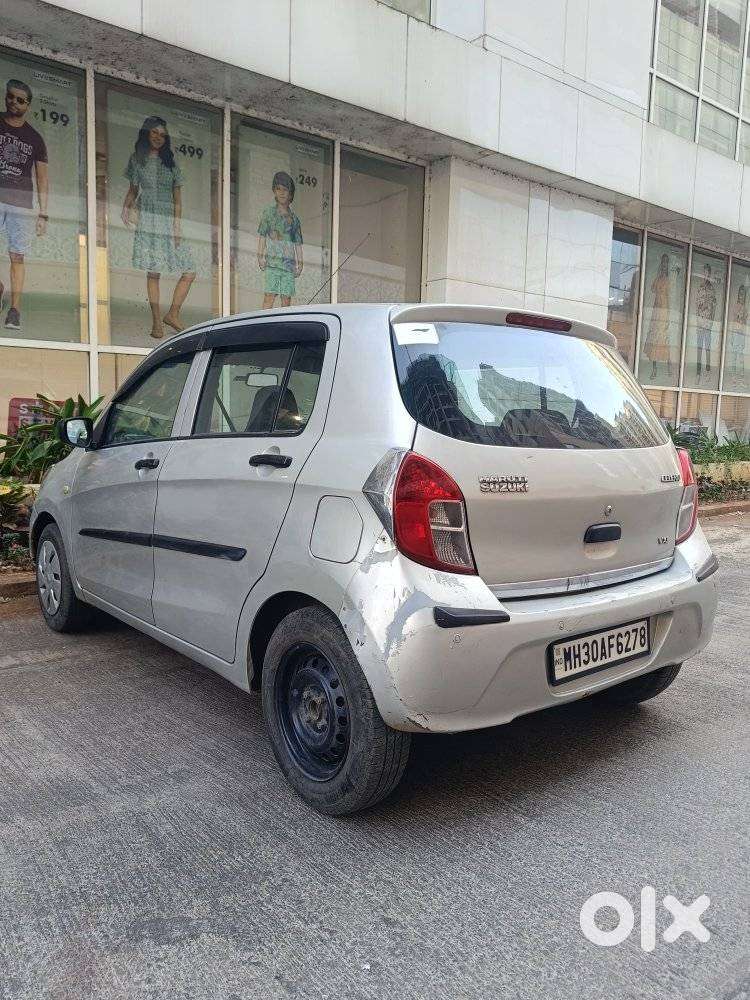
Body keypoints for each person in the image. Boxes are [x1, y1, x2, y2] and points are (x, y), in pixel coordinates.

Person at [121, 116, 195, 340]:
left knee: (189, 270)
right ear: (146, 133)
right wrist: (126, 207)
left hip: (167, 219)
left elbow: (178, 198)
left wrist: (177, 225)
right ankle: (156, 321)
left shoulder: (171, 162)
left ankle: (172, 313)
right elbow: (133, 190)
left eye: (163, 135)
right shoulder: (137, 159)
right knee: (154, 272)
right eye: (154, 133)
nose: (158, 138)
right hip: (148, 218)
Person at [0, 78, 48, 330]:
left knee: (17, 255)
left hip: (20, 202)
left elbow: (42, 177)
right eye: (10, 96)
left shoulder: (34, 138)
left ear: (27, 105)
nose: (13, 102)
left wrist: (44, 213)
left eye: (20, 100)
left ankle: (15, 309)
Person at [257, 171, 303, 309]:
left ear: (290, 193)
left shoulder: (294, 219)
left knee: (286, 299)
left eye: (285, 190)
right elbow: (262, 236)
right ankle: (262, 325)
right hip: (272, 263)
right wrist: (260, 256)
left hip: (288, 266)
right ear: (274, 191)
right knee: (269, 296)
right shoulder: (269, 214)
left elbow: (298, 244)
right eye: (278, 189)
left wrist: (300, 264)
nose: (282, 193)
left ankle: (284, 326)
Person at [644, 253, 674, 382]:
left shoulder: (668, 280)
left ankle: (668, 365)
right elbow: (652, 289)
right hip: (656, 311)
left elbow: (669, 298)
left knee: (663, 339)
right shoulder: (658, 279)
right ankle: (655, 367)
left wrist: (667, 317)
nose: (664, 265)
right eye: (663, 263)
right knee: (655, 339)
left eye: (666, 263)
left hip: (663, 312)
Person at [694, 262, 717, 380]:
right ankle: (698, 372)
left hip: (708, 323)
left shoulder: (712, 289)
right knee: (699, 348)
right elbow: (696, 304)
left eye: (708, 272)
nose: (706, 274)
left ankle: (707, 371)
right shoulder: (700, 287)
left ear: (709, 274)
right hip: (700, 323)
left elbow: (714, 305)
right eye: (704, 272)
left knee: (707, 348)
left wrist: (711, 321)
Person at [728, 283, 747, 387]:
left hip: (741, 334)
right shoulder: (735, 306)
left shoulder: (745, 309)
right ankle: (733, 377)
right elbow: (733, 321)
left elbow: (745, 324)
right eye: (740, 294)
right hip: (735, 333)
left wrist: (744, 338)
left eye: (743, 294)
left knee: (741, 357)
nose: (741, 296)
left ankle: (741, 378)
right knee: (734, 356)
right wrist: (731, 335)